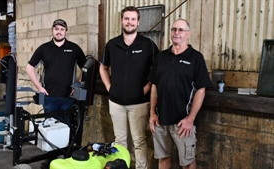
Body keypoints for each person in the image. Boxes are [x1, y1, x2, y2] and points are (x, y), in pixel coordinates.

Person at [99, 6, 159, 169]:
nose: (129, 22)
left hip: (139, 103)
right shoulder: (112, 44)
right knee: (120, 141)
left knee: (139, 141)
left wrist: (146, 88)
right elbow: (102, 67)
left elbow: (158, 71)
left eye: (133, 19)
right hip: (116, 103)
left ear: (138, 22)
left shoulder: (148, 45)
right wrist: (109, 87)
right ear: (121, 21)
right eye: (126, 19)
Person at [149, 19, 212, 169]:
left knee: (188, 162)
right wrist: (152, 113)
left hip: (182, 122)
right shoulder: (161, 57)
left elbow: (201, 90)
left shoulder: (196, 58)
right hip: (160, 120)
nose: (176, 33)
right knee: (163, 158)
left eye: (181, 30)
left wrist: (190, 119)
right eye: (174, 29)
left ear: (188, 34)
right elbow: (154, 87)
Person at [26, 19, 86, 169]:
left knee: (66, 129)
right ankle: (51, 160)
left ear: (66, 31)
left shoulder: (74, 49)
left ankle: (65, 159)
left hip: (67, 98)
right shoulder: (44, 49)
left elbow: (86, 68)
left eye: (62, 29)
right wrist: (39, 87)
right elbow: (29, 68)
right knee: (50, 130)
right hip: (50, 97)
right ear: (52, 30)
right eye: (56, 29)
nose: (59, 31)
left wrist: (77, 85)